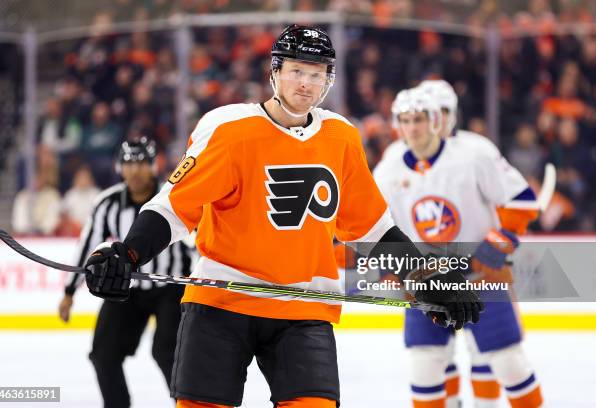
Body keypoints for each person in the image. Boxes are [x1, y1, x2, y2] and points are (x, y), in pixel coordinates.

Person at [81, 25, 483, 408]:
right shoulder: (229, 129)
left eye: (316, 73)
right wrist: (128, 254)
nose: (305, 83)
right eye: (295, 71)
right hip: (222, 304)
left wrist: (426, 275)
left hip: (303, 310)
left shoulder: (341, 137)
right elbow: (174, 206)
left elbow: (372, 229)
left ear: (329, 79)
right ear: (274, 72)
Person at [374, 87, 543, 408]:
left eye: (420, 119)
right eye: (405, 120)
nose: (412, 128)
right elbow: (380, 227)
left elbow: (521, 201)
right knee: (424, 366)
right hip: (427, 285)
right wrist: (389, 269)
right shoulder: (388, 168)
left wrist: (496, 245)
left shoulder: (473, 154)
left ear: (436, 120)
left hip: (482, 281)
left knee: (508, 362)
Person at [58, 137, 193, 408]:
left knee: (168, 351)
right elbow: (88, 245)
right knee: (103, 353)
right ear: (119, 167)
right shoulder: (107, 204)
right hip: (126, 288)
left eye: (142, 162)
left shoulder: (175, 197)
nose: (135, 170)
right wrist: (70, 291)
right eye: (129, 163)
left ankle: (188, 404)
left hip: (172, 288)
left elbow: (198, 243)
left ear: (154, 166)